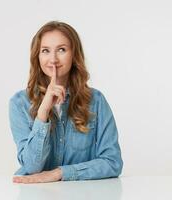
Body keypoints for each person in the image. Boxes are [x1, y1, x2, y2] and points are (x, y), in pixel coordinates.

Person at [9, 21, 123, 184]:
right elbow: (31, 167)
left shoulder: (96, 101)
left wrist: (60, 173)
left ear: (74, 55)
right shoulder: (19, 103)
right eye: (45, 51)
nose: (53, 59)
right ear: (37, 56)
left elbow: (113, 163)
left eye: (61, 50)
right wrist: (43, 112)